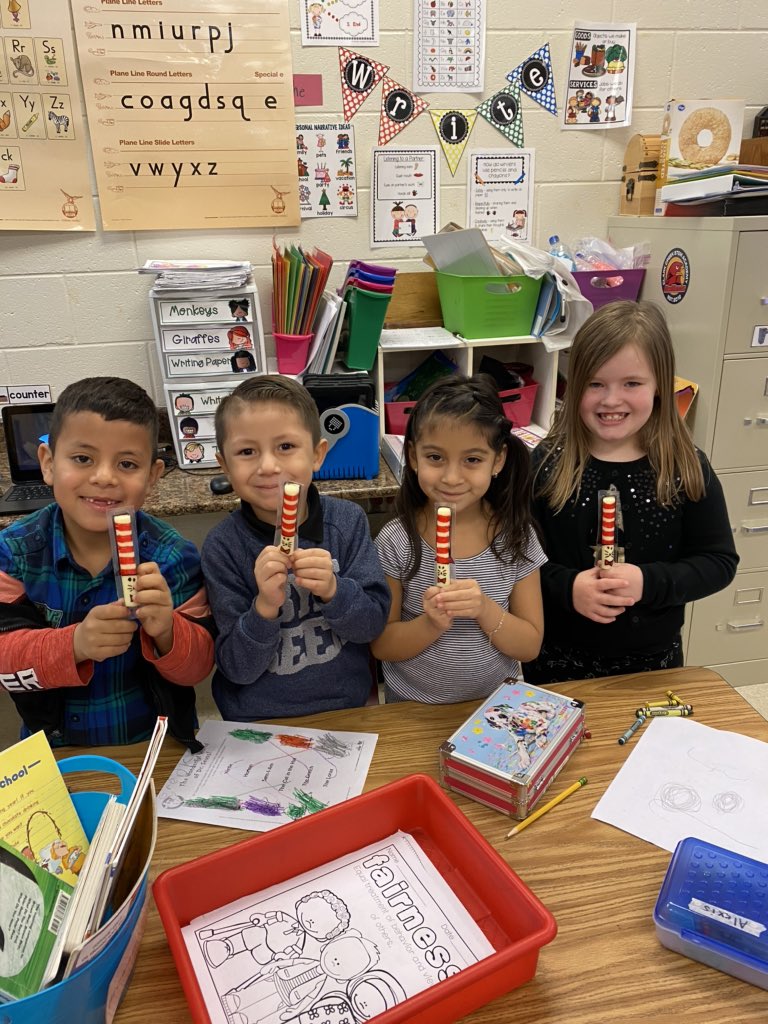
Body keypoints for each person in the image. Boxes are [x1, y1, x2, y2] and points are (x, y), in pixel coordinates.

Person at [523, 301, 738, 684]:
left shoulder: (686, 467)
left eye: (632, 384)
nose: (611, 400)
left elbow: (718, 562)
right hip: (553, 661)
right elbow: (514, 560)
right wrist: (567, 587)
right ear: (574, 386)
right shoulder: (546, 463)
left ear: (660, 385)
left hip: (655, 664)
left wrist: (647, 582)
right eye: (595, 383)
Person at [0, 377, 214, 748]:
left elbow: (198, 668)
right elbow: (4, 666)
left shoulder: (173, 556)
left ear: (152, 477)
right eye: (83, 458)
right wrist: (75, 644)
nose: (103, 477)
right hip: (53, 752)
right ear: (48, 464)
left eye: (127, 463)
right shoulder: (14, 552)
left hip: (155, 749)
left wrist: (166, 629)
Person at [201, 375, 390, 720]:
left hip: (346, 709)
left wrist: (336, 592)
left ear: (318, 454)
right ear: (225, 465)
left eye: (285, 447)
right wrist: (263, 609)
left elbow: (372, 627)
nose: (268, 466)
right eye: (247, 452)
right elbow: (236, 669)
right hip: (257, 720)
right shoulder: (222, 547)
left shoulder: (347, 523)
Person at [371, 375, 545, 703]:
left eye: (472, 460)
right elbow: (382, 646)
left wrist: (483, 609)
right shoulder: (395, 541)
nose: (451, 477)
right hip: (411, 710)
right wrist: (431, 624)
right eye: (435, 457)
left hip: (493, 707)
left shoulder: (516, 537)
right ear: (412, 456)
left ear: (499, 460)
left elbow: (530, 645)